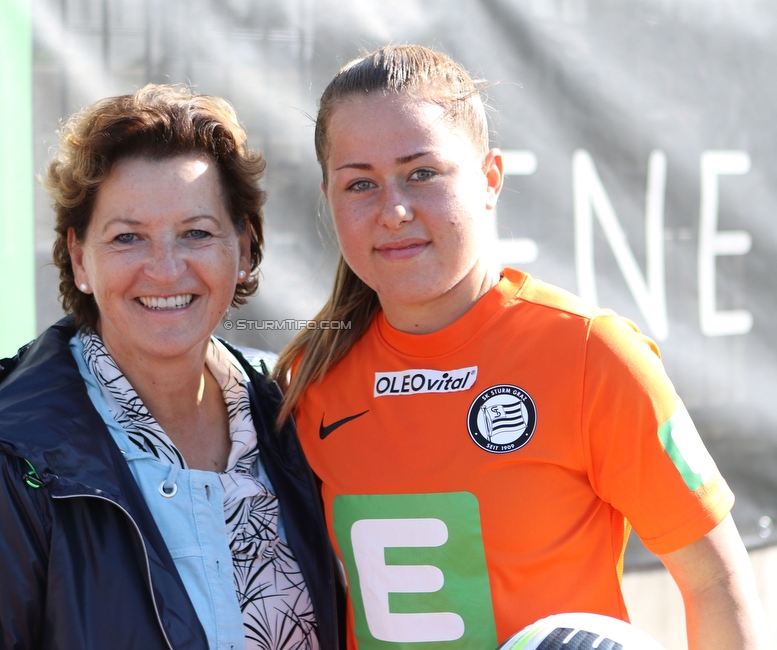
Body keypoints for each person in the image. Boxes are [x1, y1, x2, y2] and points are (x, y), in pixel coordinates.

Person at [274, 45, 767, 649]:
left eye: (422, 173)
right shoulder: (309, 377)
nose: (394, 210)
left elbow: (715, 579)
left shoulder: (591, 354)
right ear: (328, 197)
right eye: (360, 185)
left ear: (489, 179)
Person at [0, 85, 340, 650]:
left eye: (196, 233)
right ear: (80, 258)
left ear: (245, 248)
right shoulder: (4, 461)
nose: (165, 269)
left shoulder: (291, 421)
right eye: (128, 237)